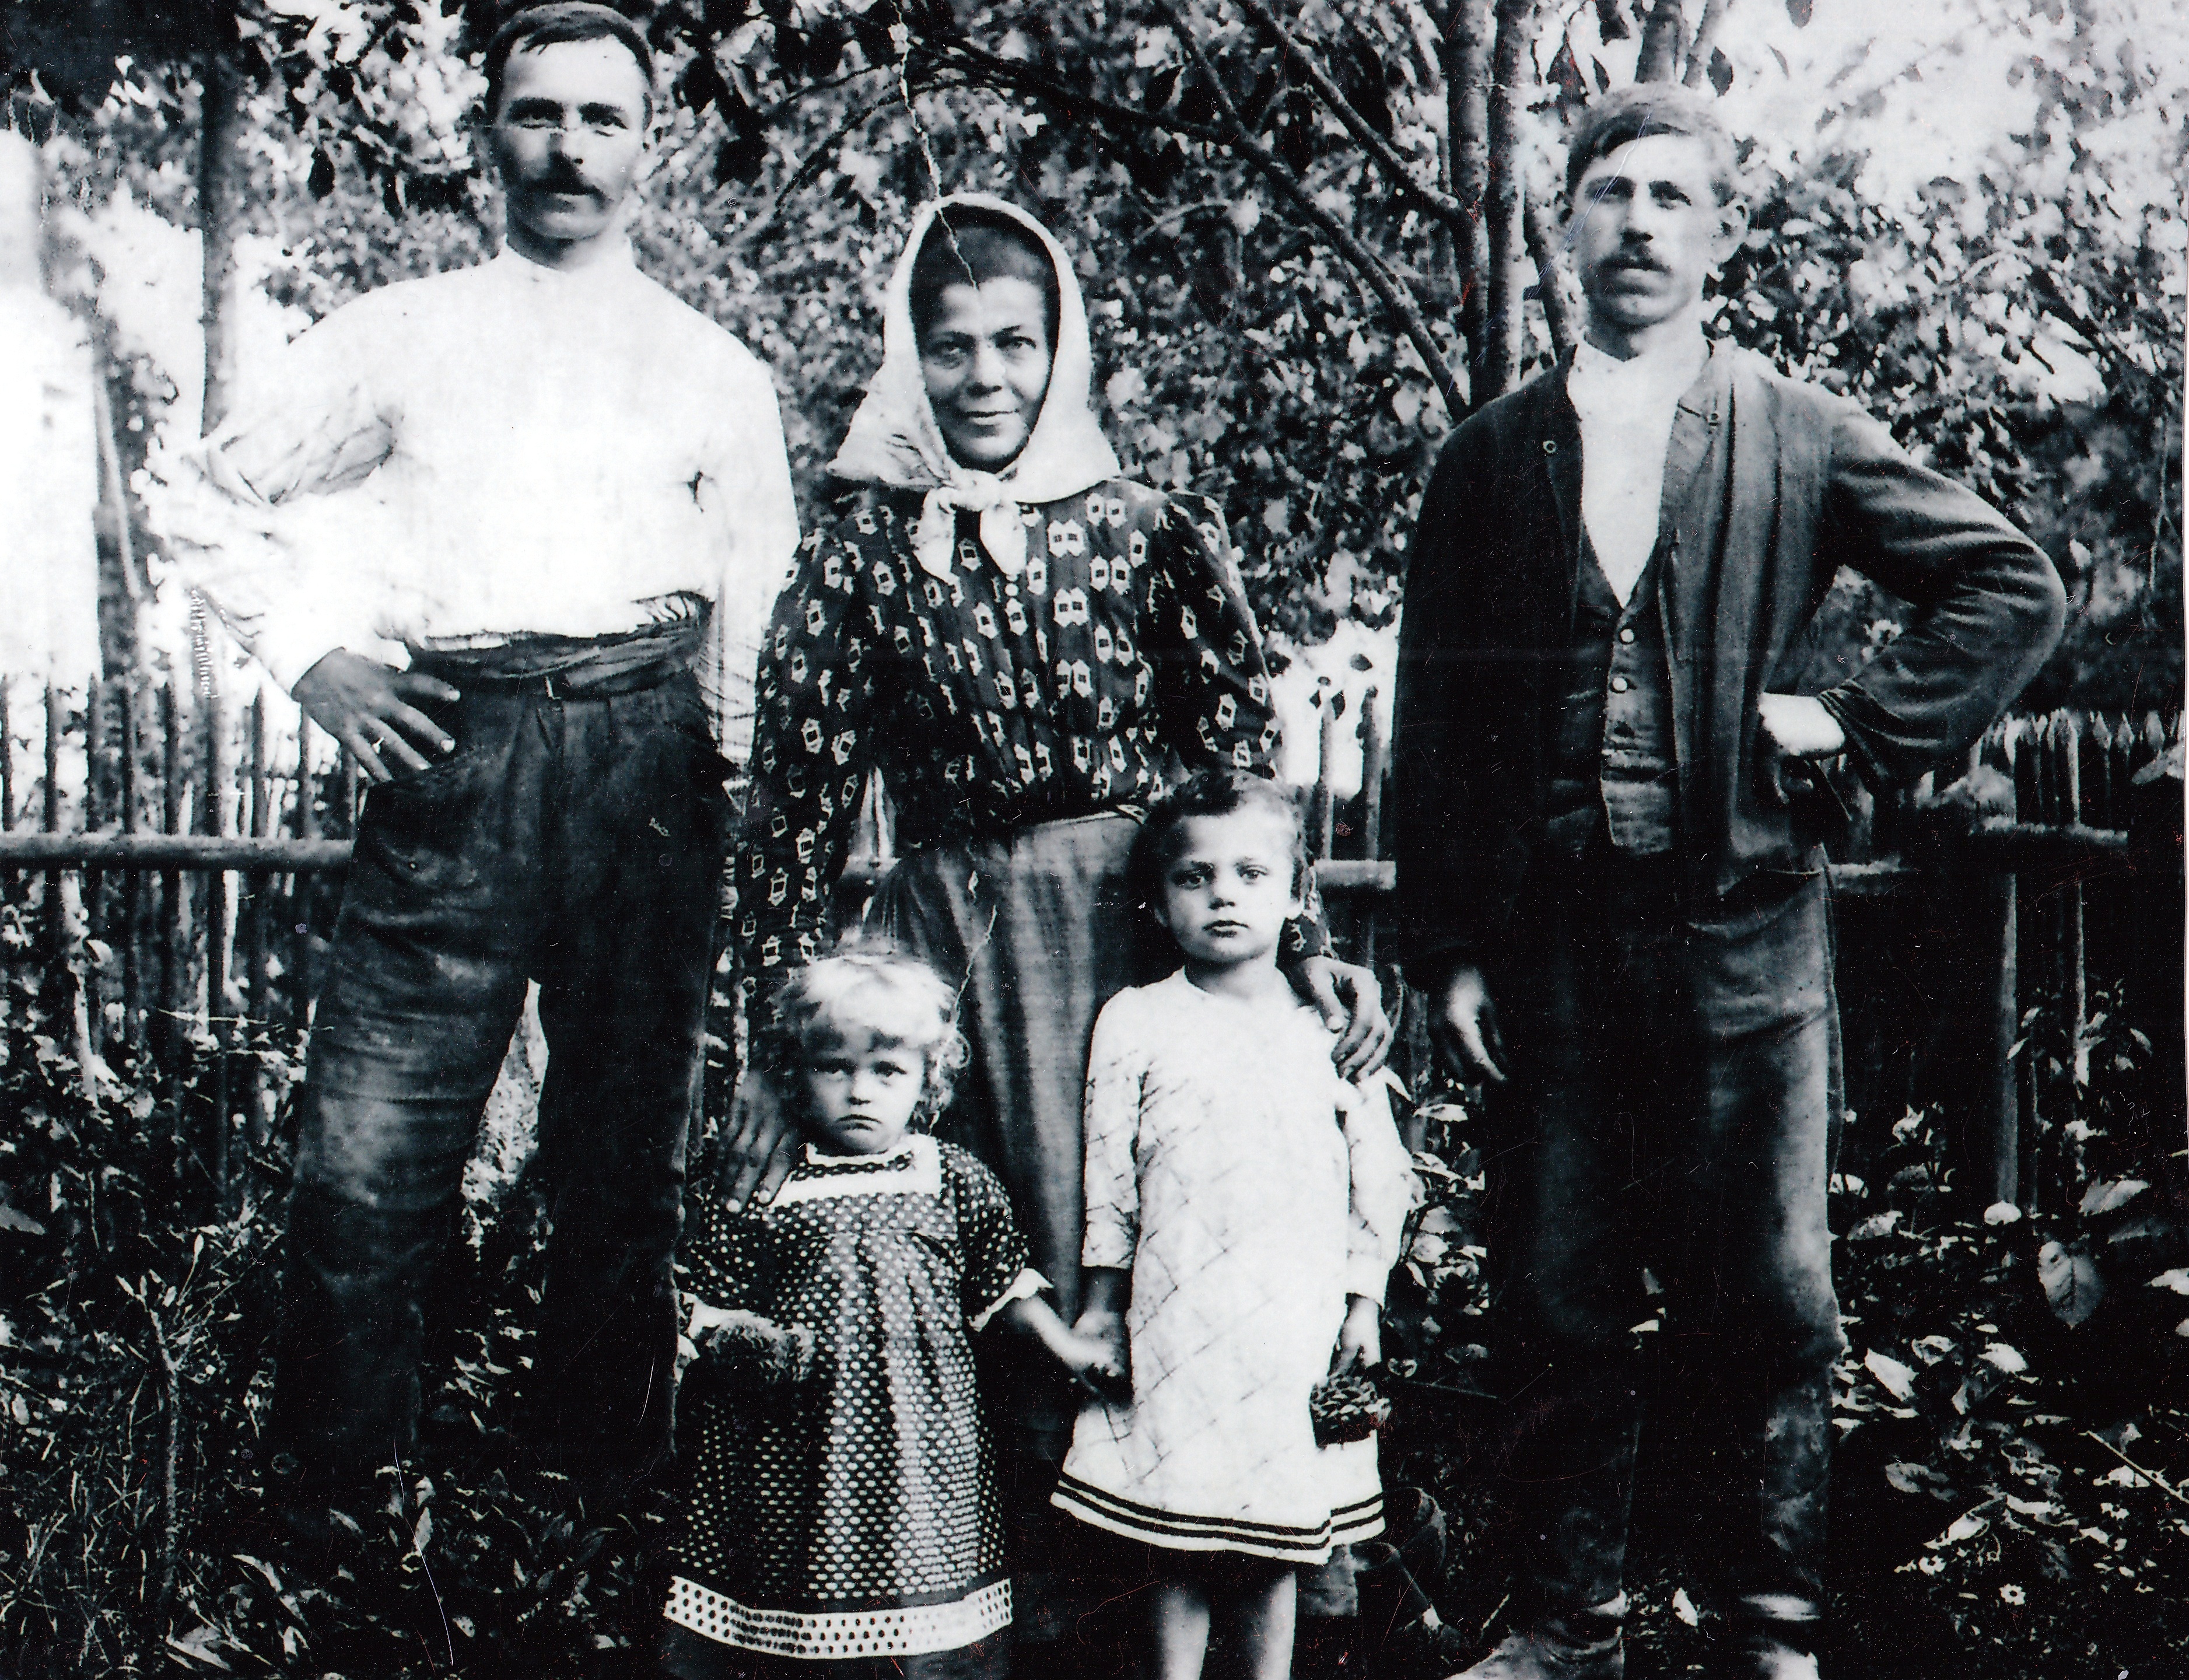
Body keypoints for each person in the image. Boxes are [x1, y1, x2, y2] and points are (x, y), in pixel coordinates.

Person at [1389, 86, 2065, 1680]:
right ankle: (1565, 1626)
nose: (1638, 223)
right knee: (1554, 1288)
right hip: (1553, 947)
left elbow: (2008, 586)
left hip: (1745, 934)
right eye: (1610, 192)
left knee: (1769, 1291)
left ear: (1721, 235)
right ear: (1564, 221)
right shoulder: (1489, 458)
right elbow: (1438, 718)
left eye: (1672, 197)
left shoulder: (1795, 429)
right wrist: (1453, 950)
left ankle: (1770, 1629)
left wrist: (1860, 722)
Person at [716, 195, 1391, 1639]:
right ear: (909, 357)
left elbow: (1238, 769)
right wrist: (773, 1049)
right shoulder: (859, 548)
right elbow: (792, 806)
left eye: (1016, 342)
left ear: (1062, 348)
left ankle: (1195, 1583)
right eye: (951, 345)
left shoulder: (1143, 528)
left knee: (1171, 1233)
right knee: (989, 1242)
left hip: (1137, 945)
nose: (985, 377)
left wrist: (1303, 948)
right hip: (959, 953)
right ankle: (999, 1603)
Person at [160, 2, 799, 1528]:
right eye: (537, 113)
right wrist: (314, 657)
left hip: (651, 758)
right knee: (368, 1149)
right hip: (460, 746)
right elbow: (204, 486)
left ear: (650, 149)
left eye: (603, 118)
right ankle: (341, 1512)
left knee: (622, 1155)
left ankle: (590, 1501)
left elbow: (754, 599)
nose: (568, 147)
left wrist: (721, 781)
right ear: (484, 136)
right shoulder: (406, 333)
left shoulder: (712, 369)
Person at [1050, 770, 1417, 1680]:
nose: (1223, 895)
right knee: (1175, 1527)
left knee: (1271, 1531)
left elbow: (1378, 1179)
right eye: (1195, 877)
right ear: (1157, 901)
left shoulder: (1328, 1029)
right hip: (1178, 1319)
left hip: (1290, 1326)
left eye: (1251, 875)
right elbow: (1109, 1178)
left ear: (1295, 897)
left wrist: (1362, 1304)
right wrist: (1102, 1304)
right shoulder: (1137, 1019)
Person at [661, 951, 1119, 1680]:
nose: (859, 1091)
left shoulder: (952, 1178)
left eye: (887, 1072)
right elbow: (709, 1302)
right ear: (798, 1074)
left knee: (921, 1602)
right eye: (834, 1067)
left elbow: (1004, 1291)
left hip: (924, 1445)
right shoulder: (771, 1183)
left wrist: (1066, 1347)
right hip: (796, 1444)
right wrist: (745, 1341)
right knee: (796, 1601)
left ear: (927, 1079)